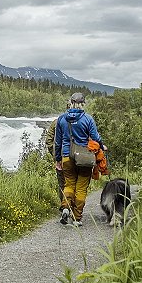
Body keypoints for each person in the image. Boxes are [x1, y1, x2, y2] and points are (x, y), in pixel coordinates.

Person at [54, 92, 106, 227]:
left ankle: (65, 208)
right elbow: (95, 137)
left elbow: (57, 141)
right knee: (81, 188)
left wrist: (58, 159)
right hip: (84, 157)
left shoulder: (61, 119)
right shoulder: (88, 119)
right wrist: (101, 146)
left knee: (69, 184)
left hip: (66, 156)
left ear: (70, 102)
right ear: (83, 104)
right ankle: (76, 218)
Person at [45, 116, 66, 209]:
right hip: (75, 157)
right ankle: (73, 207)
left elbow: (49, 141)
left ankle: (64, 205)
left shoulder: (56, 122)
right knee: (74, 182)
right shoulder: (81, 120)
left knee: (62, 182)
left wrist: (54, 154)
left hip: (60, 156)